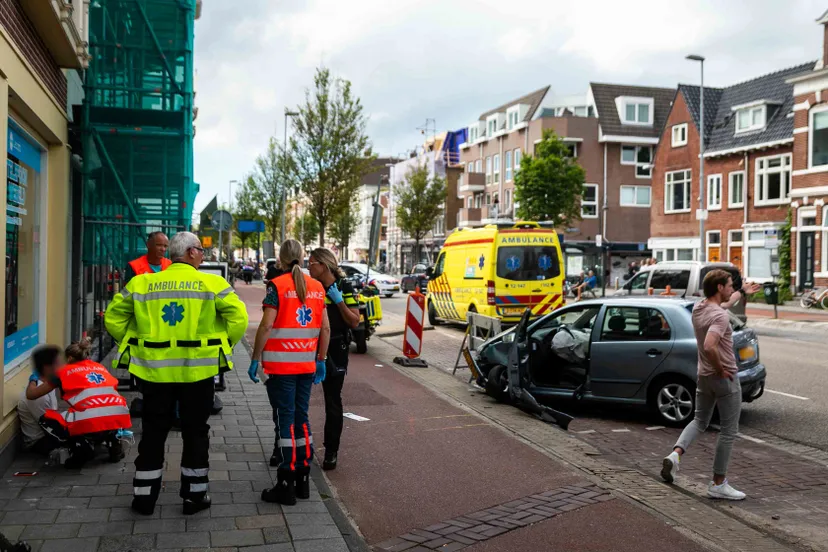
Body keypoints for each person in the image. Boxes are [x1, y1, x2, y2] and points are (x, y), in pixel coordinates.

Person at [105, 231, 248, 516]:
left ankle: (144, 498)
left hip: (154, 374)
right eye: (201, 251)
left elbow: (113, 318)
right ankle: (194, 497)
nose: (204, 256)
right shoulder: (212, 283)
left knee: (154, 432)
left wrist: (136, 343)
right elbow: (239, 319)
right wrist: (221, 344)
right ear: (191, 252)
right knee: (196, 432)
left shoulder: (142, 283)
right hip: (198, 374)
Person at [661, 271, 761, 500]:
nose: (730, 288)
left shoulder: (699, 307)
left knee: (699, 421)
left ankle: (675, 455)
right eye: (728, 285)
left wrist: (742, 292)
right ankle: (718, 483)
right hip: (723, 378)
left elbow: (725, 303)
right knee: (728, 431)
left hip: (703, 376)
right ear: (718, 287)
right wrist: (722, 369)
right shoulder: (720, 317)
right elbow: (709, 345)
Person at [249, 239, 331, 506]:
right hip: (307, 365)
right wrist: (321, 359)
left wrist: (254, 357)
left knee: (285, 422)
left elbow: (266, 326)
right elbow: (325, 329)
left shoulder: (277, 286)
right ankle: (303, 478)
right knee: (301, 419)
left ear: (281, 260)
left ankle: (285, 481)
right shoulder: (318, 287)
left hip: (282, 367)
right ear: (302, 257)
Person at [25, 340, 131, 468]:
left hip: (91, 419)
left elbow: (31, 395)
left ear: (69, 358)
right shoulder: (100, 367)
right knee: (103, 410)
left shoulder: (62, 373)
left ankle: (80, 446)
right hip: (119, 415)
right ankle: (114, 440)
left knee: (47, 419)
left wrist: (33, 379)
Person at [308, 247, 360, 471]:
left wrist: (338, 302)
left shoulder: (344, 286)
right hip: (309, 346)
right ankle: (297, 446)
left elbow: (354, 321)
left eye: (312, 263)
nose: (308, 267)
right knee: (299, 397)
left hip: (335, 348)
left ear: (324, 265)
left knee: (332, 399)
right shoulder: (311, 287)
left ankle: (331, 451)